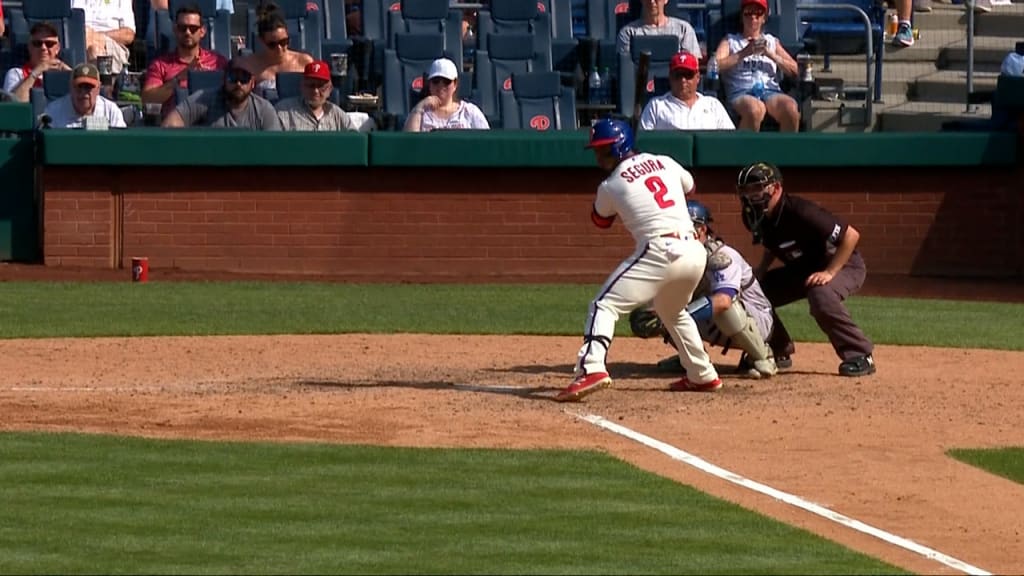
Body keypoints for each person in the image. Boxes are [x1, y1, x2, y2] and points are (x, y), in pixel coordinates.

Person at [557, 119, 720, 402]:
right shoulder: (664, 161)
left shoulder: (610, 185)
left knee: (603, 305)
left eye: (603, 149)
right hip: (694, 251)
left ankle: (591, 368)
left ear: (620, 146)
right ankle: (702, 374)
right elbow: (690, 187)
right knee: (672, 311)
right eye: (596, 150)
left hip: (660, 249)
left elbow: (600, 220)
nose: (598, 156)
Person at [735, 161, 876, 377]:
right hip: (802, 269)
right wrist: (761, 269)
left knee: (820, 294)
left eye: (758, 188)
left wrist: (830, 273)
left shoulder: (801, 211)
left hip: (842, 264)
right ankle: (777, 348)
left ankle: (860, 354)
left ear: (777, 188)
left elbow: (851, 236)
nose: (752, 195)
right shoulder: (755, 215)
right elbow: (774, 243)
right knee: (752, 292)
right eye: (747, 190)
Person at [630, 199, 777, 379]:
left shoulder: (721, 256)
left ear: (702, 230)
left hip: (756, 321)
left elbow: (723, 301)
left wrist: (681, 317)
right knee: (658, 310)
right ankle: (692, 359)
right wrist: (657, 313)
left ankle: (763, 357)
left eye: (688, 228)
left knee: (726, 308)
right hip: (712, 318)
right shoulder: (675, 258)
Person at [714, 0, 800, 132]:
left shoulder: (772, 41)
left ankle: (786, 151)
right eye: (748, 13)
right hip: (741, 91)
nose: (753, 17)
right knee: (755, 109)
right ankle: (746, 151)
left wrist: (771, 55)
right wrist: (744, 52)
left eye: (758, 13)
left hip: (770, 91)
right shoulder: (731, 41)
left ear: (764, 18)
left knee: (790, 107)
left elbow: (796, 71)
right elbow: (715, 65)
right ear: (742, 17)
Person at [141, 3, 230, 119]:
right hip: (176, 127)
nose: (187, 32)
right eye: (183, 28)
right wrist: (178, 79)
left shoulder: (218, 62)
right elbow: (147, 99)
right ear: (175, 30)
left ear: (202, 31)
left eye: (193, 29)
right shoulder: (160, 64)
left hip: (213, 125)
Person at [162, 59, 282, 129]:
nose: (238, 84)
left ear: (252, 83)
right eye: (233, 78)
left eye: (244, 78)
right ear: (223, 79)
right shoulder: (203, 98)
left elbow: (276, 147)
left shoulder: (263, 109)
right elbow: (170, 124)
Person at [639, 51, 734, 131]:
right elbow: (643, 143)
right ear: (670, 77)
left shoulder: (713, 105)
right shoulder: (656, 105)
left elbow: (729, 140)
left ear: (697, 78)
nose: (683, 80)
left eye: (688, 75)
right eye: (678, 75)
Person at [239, 2, 314, 94]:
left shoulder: (304, 62)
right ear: (262, 41)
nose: (279, 48)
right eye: (272, 44)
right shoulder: (250, 65)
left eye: (283, 42)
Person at [404, 58, 489, 132]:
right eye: (436, 81)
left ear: (455, 84)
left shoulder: (470, 112)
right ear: (429, 84)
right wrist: (420, 107)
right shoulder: (421, 113)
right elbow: (409, 143)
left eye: (446, 82)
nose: (441, 86)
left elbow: (485, 142)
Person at [275, 60, 356, 131]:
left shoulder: (337, 114)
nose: (315, 91)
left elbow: (355, 141)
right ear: (302, 86)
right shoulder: (283, 111)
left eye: (321, 86)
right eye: (311, 85)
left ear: (330, 89)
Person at [3, 22, 72, 103]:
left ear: (57, 48)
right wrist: (36, 72)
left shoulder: (65, 74)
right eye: (37, 43)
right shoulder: (16, 74)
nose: (43, 48)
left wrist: (71, 75)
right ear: (29, 47)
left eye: (49, 44)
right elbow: (13, 106)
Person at [42, 63, 127, 129]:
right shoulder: (53, 112)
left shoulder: (111, 111)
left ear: (98, 89)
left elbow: (120, 144)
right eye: (79, 87)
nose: (83, 93)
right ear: (71, 87)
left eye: (88, 87)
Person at [618, 0, 701, 59]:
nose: (651, 1)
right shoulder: (628, 33)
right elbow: (626, 70)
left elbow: (692, 68)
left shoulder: (684, 29)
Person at [72, 0, 136, 75]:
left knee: (90, 43)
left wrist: (96, 36)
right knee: (93, 49)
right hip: (79, 41)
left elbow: (128, 35)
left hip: (112, 45)